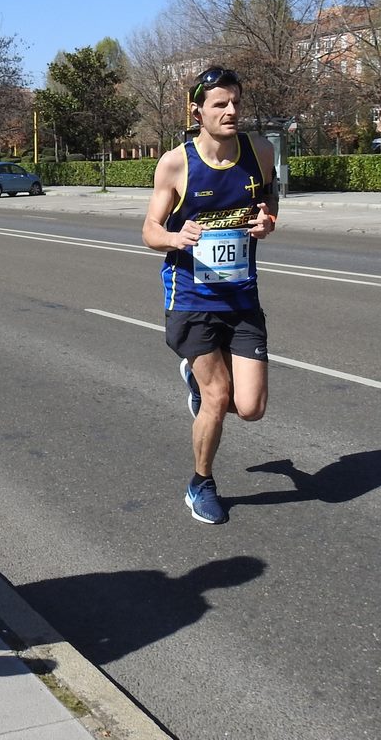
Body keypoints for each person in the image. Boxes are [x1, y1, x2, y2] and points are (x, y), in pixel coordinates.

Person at [140, 67, 278, 526]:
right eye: (220, 104)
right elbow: (149, 231)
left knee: (251, 408)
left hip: (242, 298)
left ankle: (196, 387)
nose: (231, 111)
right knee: (218, 396)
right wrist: (176, 238)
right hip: (193, 299)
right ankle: (201, 483)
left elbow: (269, 201)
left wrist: (268, 221)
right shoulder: (176, 163)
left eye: (236, 102)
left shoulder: (260, 151)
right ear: (198, 112)